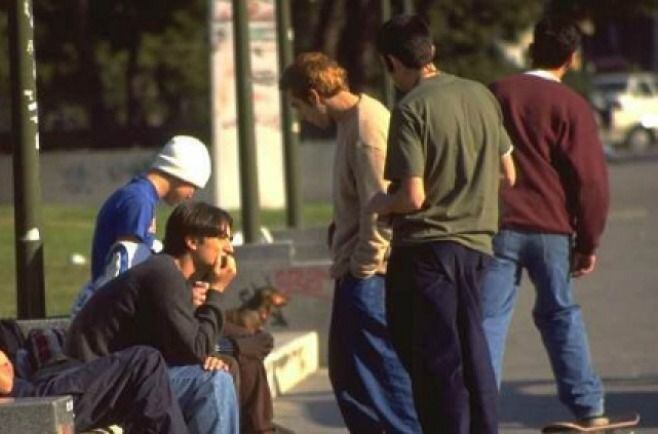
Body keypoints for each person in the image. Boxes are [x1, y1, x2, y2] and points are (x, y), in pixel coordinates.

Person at [369, 14, 516, 434]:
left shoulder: (411, 109)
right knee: (473, 353)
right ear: (431, 51)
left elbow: (412, 196)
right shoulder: (481, 96)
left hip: (428, 251)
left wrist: (381, 203)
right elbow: (511, 173)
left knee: (437, 363)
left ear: (392, 62)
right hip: (479, 247)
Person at [0, 224, 188, 434]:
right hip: (30, 401)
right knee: (144, 363)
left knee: (137, 381)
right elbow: (2, 380)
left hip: (26, 391)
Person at [279, 52, 420, 434]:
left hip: (370, 273)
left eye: (298, 106)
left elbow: (380, 207)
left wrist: (364, 265)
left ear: (313, 95)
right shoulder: (348, 124)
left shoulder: (366, 128)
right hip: (354, 269)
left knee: (381, 376)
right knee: (350, 377)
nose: (301, 118)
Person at [481, 16, 610, 426]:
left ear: (533, 49)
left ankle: (479, 409)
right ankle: (588, 407)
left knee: (488, 317)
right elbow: (590, 181)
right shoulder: (572, 106)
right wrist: (587, 242)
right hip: (552, 229)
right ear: (571, 59)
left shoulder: (496, 94)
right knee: (560, 313)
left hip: (498, 224)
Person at [65, 201, 241, 434]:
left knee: (224, 368)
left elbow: (185, 346)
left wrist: (208, 357)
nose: (230, 249)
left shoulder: (167, 273)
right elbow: (196, 347)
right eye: (222, 238)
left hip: (123, 379)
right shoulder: (164, 274)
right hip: (103, 386)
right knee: (213, 383)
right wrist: (217, 292)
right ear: (192, 241)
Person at [73, 239, 277, 434]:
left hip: (195, 351)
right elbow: (174, 349)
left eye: (204, 286)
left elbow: (264, 341)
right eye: (193, 285)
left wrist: (217, 348)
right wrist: (214, 295)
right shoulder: (164, 288)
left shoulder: (208, 312)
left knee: (238, 361)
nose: (229, 247)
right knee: (218, 376)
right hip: (113, 384)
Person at [87, 135, 211, 283]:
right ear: (182, 174)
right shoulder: (139, 201)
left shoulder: (141, 197)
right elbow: (125, 266)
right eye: (194, 187)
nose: (191, 195)